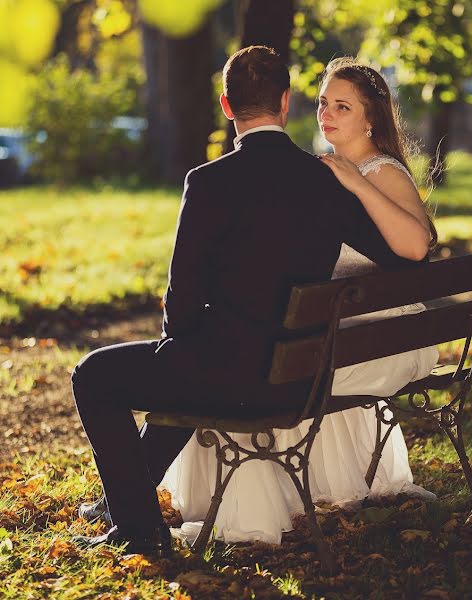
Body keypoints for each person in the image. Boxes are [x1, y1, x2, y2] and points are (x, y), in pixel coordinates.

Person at [71, 46, 428, 555]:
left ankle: (137, 526)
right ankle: (131, 512)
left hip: (226, 380)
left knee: (93, 374)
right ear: (285, 103)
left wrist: (191, 339)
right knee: (181, 362)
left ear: (226, 104)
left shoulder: (207, 182)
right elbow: (402, 260)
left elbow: (183, 313)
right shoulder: (327, 181)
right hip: (298, 381)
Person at [159, 57, 441, 544]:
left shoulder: (379, 172)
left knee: (250, 363)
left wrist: (353, 181)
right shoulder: (317, 174)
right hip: (346, 335)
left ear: (371, 117)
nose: (327, 115)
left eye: (343, 107)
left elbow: (417, 247)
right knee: (258, 353)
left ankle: (242, 507)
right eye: (323, 103)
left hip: (376, 342)